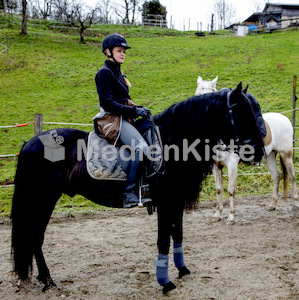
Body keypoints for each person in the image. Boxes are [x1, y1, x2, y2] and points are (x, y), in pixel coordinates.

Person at [94, 33, 151, 208]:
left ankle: (146, 187)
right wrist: (133, 110)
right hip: (111, 119)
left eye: (124, 51)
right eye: (119, 50)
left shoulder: (119, 73)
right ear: (108, 52)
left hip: (122, 116)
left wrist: (139, 109)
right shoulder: (104, 73)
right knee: (141, 147)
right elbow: (108, 103)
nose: (123, 54)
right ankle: (129, 192)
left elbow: (120, 100)